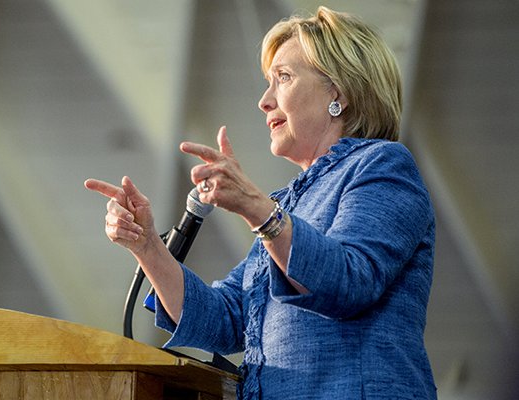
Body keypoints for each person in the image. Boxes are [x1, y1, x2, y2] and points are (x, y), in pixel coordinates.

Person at [85, 6, 436, 399]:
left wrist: (255, 208)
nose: (264, 101)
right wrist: (147, 245)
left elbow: (349, 281)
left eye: (283, 77)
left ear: (338, 91)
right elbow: (224, 319)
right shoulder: (288, 203)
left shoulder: (383, 165)